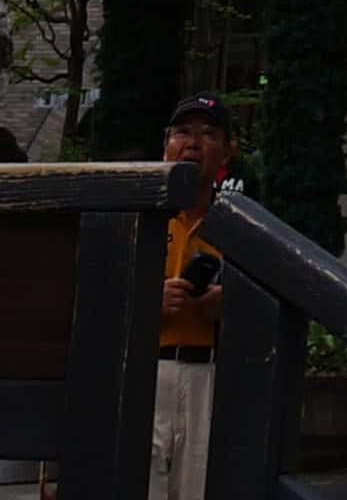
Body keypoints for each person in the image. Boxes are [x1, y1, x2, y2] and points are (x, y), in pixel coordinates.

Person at [150, 99, 235, 500]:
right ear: (166, 143)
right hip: (147, 371)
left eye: (208, 134)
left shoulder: (240, 223)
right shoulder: (139, 215)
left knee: (199, 489)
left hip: (211, 375)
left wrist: (231, 304)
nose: (193, 143)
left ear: (227, 151)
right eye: (183, 132)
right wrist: (148, 301)